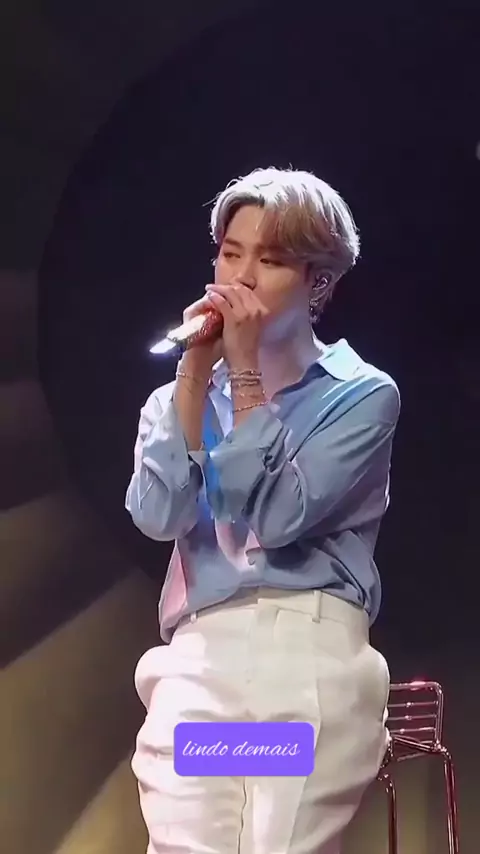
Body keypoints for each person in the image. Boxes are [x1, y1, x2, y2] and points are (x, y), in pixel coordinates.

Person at [125, 167, 400, 854]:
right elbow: (158, 515)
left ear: (318, 284)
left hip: (303, 655)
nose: (240, 278)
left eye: (271, 261)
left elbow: (278, 520)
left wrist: (245, 373)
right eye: (230, 253)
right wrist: (194, 378)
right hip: (200, 664)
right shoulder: (174, 398)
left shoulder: (361, 395)